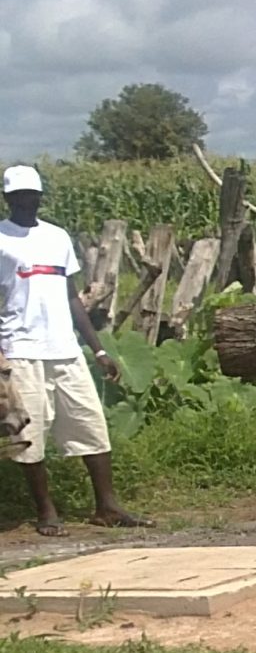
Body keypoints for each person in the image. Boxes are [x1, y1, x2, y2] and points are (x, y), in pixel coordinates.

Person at [0, 165, 147, 535]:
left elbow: (71, 297)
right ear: (8, 199)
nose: (26, 202)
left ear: (40, 197)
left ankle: (107, 506)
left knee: (90, 426)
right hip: (21, 349)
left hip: (65, 349)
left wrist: (97, 350)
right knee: (29, 436)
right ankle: (46, 510)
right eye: (18, 197)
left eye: (31, 195)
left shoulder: (56, 237)